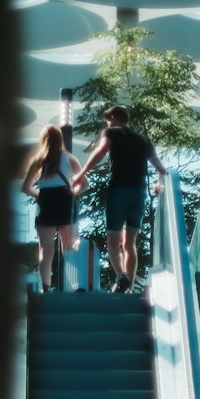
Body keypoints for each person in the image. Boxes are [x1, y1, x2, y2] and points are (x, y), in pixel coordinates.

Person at [72, 105, 167, 294]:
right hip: (139, 194)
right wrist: (158, 183)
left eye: (109, 119)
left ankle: (121, 276)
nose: (108, 122)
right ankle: (128, 288)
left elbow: (100, 151)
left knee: (112, 240)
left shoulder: (111, 132)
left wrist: (81, 173)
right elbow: (161, 168)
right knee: (129, 243)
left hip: (119, 190)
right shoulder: (143, 140)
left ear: (114, 118)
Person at [21, 125, 79, 293]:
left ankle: (45, 289)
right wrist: (73, 192)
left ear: (43, 140)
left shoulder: (39, 159)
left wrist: (41, 196)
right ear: (60, 140)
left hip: (46, 202)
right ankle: (72, 287)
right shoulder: (69, 158)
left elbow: (26, 187)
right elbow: (85, 182)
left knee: (46, 252)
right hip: (66, 201)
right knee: (69, 248)